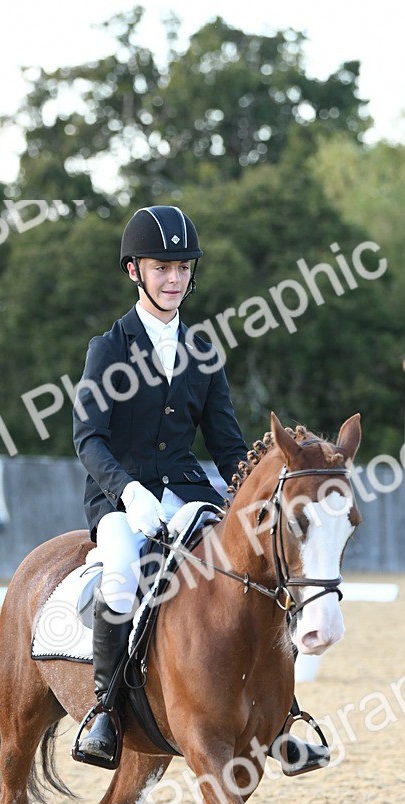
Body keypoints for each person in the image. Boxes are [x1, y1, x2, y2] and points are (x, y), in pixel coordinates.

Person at [72, 204, 329, 774]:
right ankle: (105, 713)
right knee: (119, 575)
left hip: (188, 492)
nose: (174, 279)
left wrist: (257, 495)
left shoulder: (203, 350)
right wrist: (129, 493)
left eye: (183, 268)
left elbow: (230, 445)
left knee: (258, 569)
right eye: (162, 268)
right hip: (121, 498)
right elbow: (88, 439)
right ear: (135, 271)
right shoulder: (107, 349)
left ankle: (283, 714)